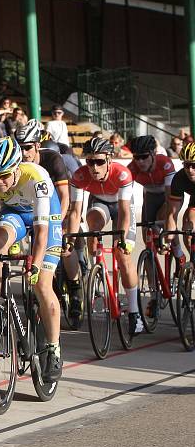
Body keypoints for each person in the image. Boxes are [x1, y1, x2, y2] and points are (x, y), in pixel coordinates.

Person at [0, 136, 63, 383]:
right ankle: (3, 299)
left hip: (45, 218)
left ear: (17, 167)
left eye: (5, 176)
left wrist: (36, 264)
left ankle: (53, 349)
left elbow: (42, 233)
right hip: (16, 216)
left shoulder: (37, 178)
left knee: (42, 285)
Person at [67, 137, 143, 336]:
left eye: (99, 161)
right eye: (90, 161)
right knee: (92, 221)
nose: (94, 167)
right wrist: (70, 240)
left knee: (123, 255)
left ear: (109, 160)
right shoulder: (79, 176)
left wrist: (123, 240)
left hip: (121, 204)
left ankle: (135, 312)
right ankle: (96, 268)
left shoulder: (122, 174)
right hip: (99, 202)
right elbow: (75, 212)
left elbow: (125, 213)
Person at [165, 142, 195, 264]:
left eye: (194, 165)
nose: (190, 170)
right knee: (188, 227)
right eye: (187, 165)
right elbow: (172, 213)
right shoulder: (179, 178)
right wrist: (168, 239)